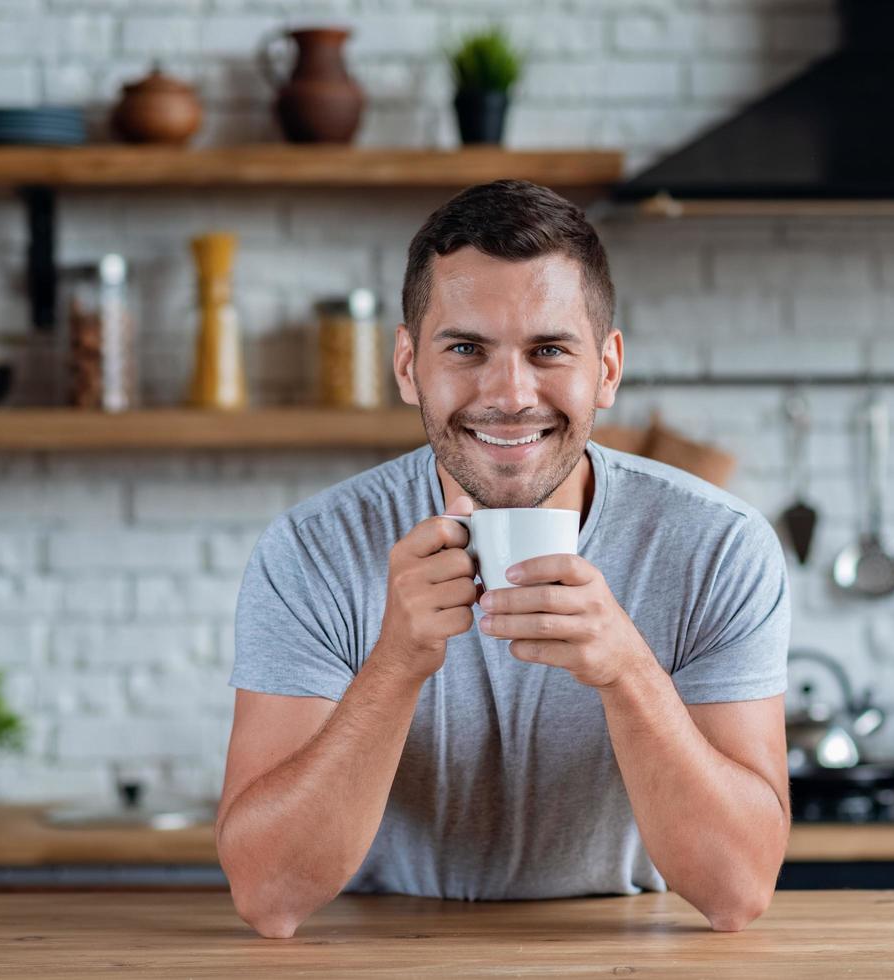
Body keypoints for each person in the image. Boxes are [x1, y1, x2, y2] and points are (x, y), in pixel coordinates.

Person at [216, 179, 791, 939]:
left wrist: (627, 670)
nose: (510, 394)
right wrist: (395, 664)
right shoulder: (314, 549)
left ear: (608, 369)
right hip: (384, 954)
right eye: (465, 349)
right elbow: (268, 895)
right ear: (406, 364)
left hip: (620, 951)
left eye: (548, 350)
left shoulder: (719, 545)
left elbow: (736, 891)